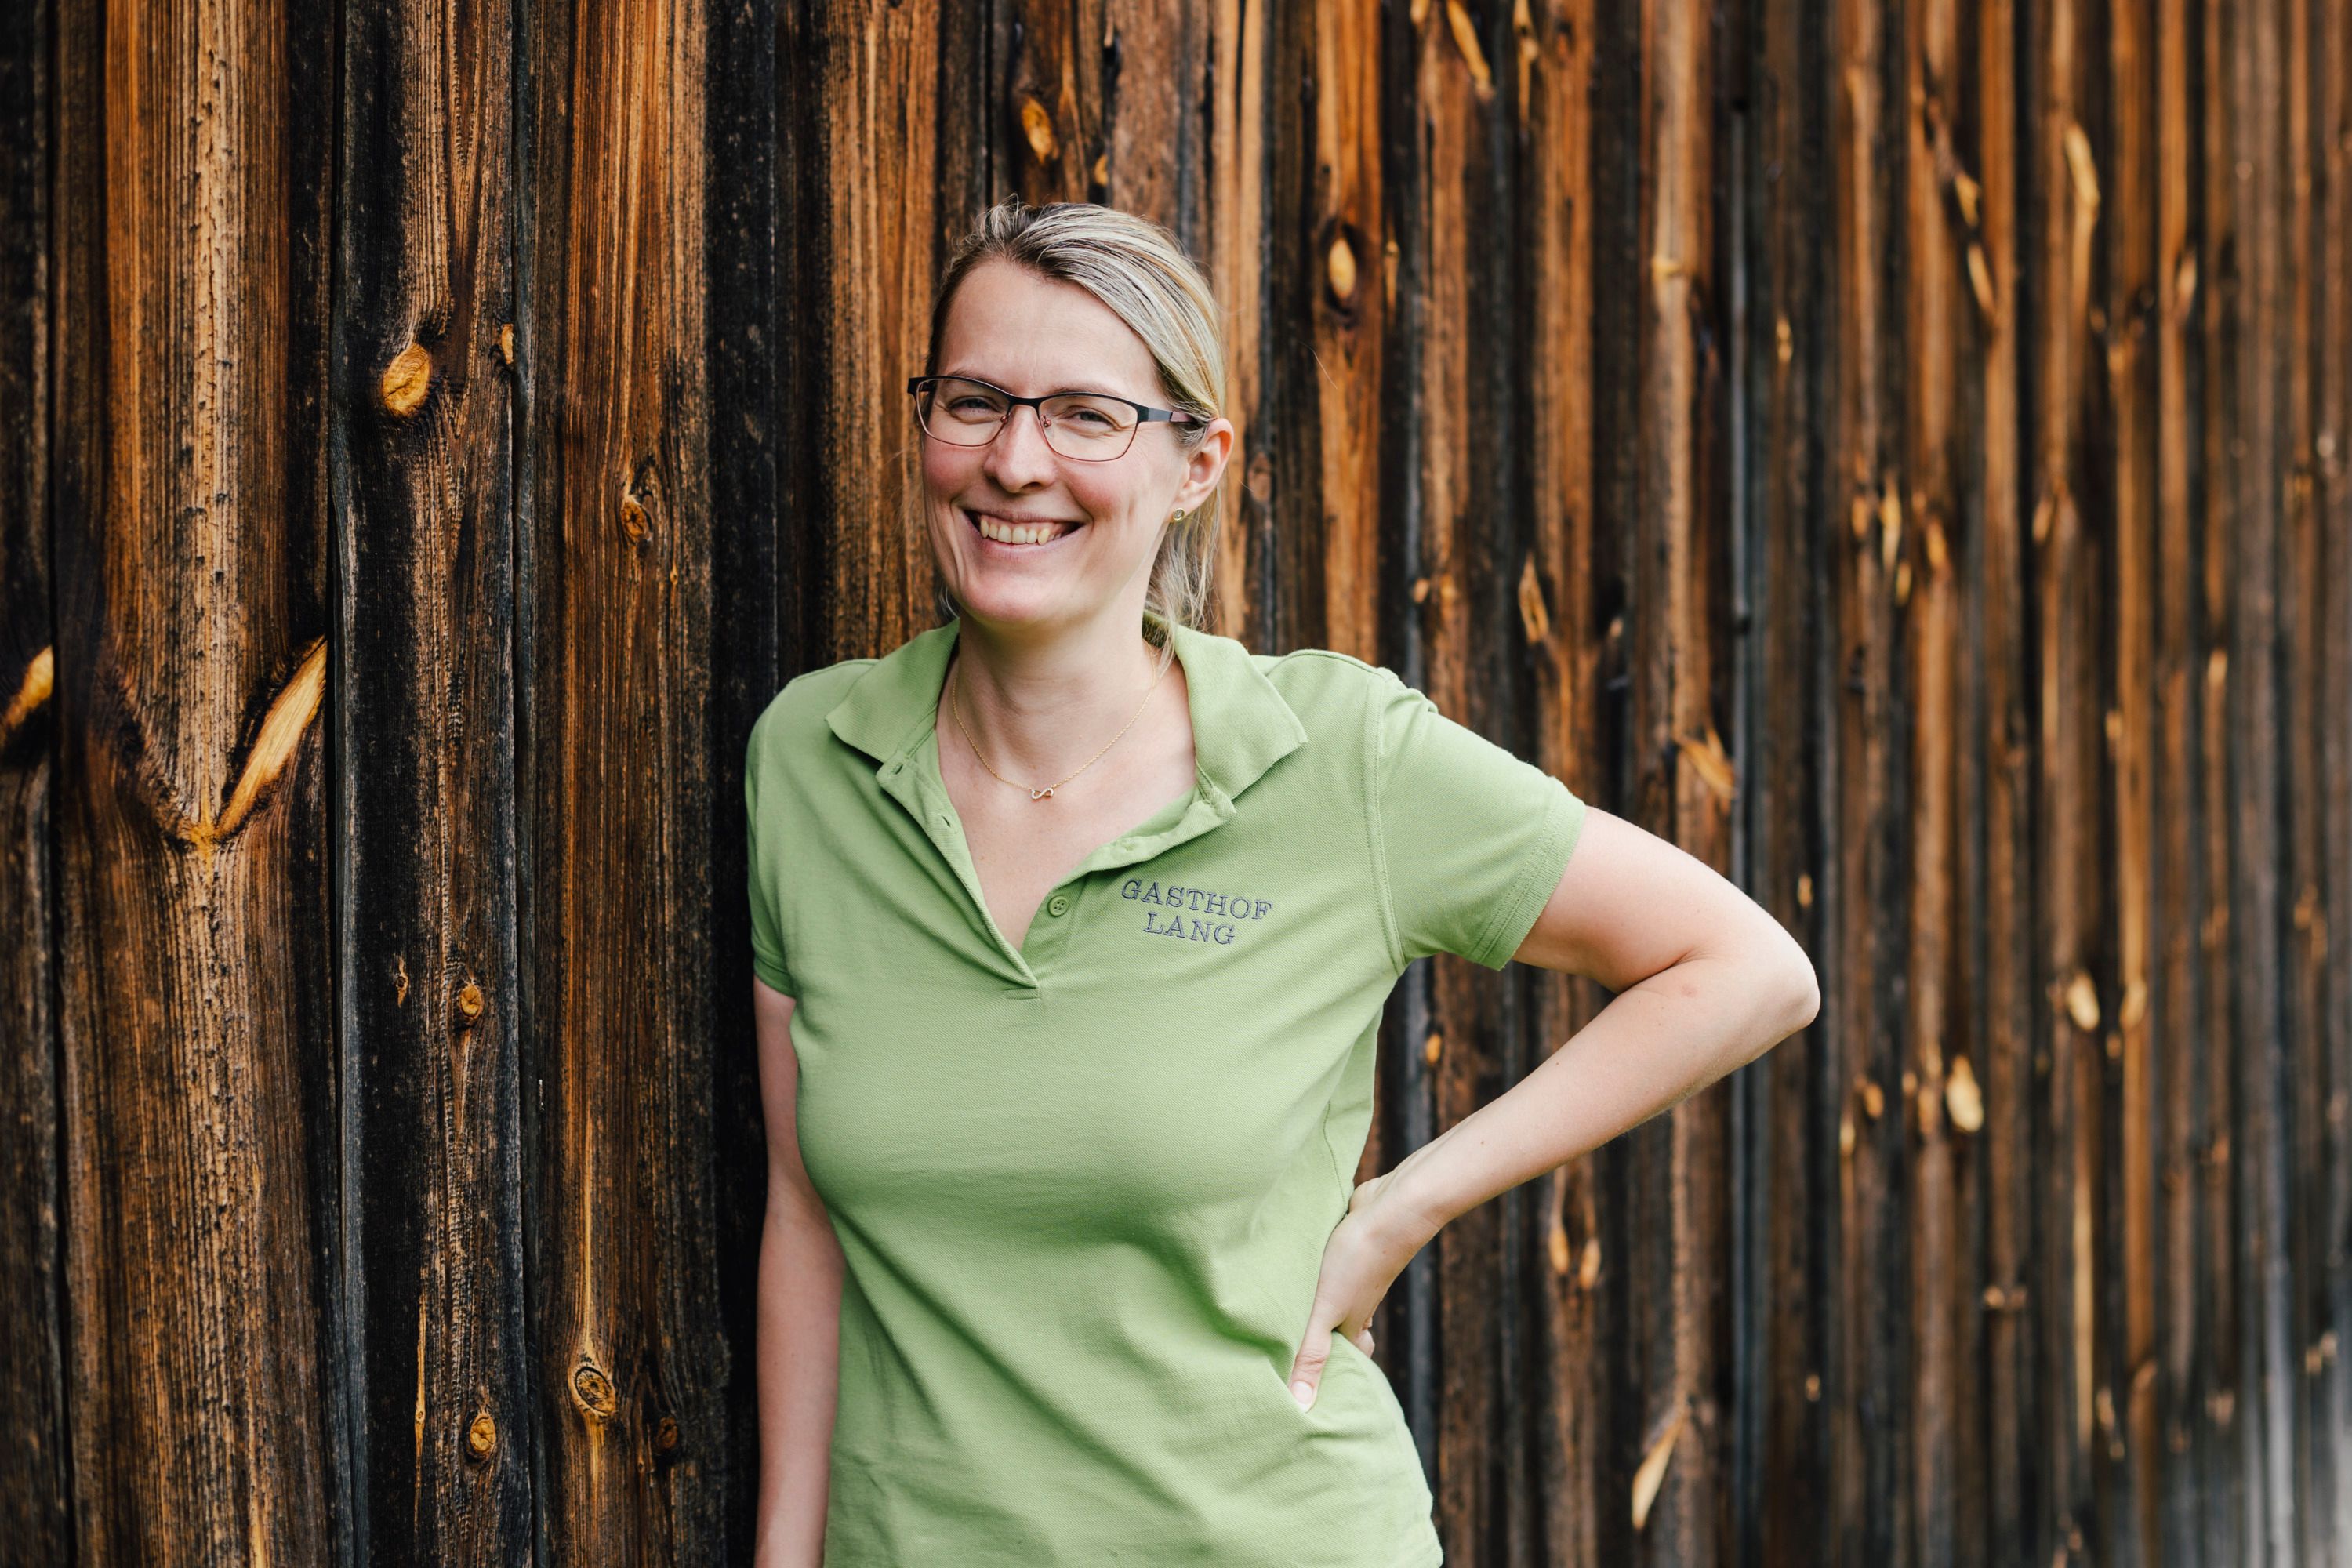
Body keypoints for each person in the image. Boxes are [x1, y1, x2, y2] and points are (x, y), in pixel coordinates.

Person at [746, 198, 1819, 1568]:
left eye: (1086, 415)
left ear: (1197, 465)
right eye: (975, 402)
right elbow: (806, 1216)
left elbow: (1747, 969)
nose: (1015, 461)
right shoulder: (814, 761)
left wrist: (1402, 1208)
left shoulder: (1338, 761)